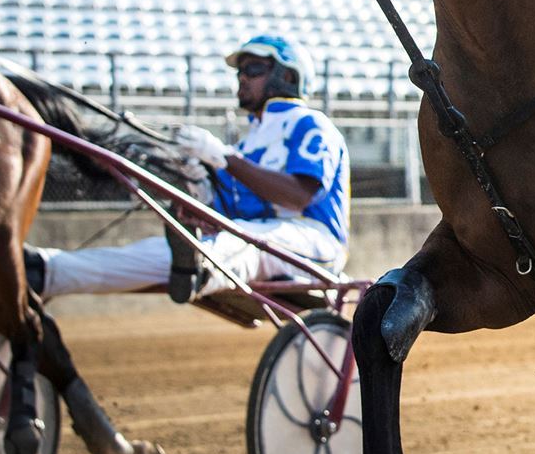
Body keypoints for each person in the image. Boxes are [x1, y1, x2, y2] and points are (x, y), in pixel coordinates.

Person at [30, 37, 349, 301]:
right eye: (239, 71)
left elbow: (297, 197)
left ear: (288, 77)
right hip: (249, 240)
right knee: (162, 249)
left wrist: (223, 158)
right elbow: (226, 210)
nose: (242, 78)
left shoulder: (311, 124)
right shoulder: (250, 141)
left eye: (253, 69)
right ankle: (50, 270)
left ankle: (200, 266)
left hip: (314, 243)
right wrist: (196, 186)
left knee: (240, 243)